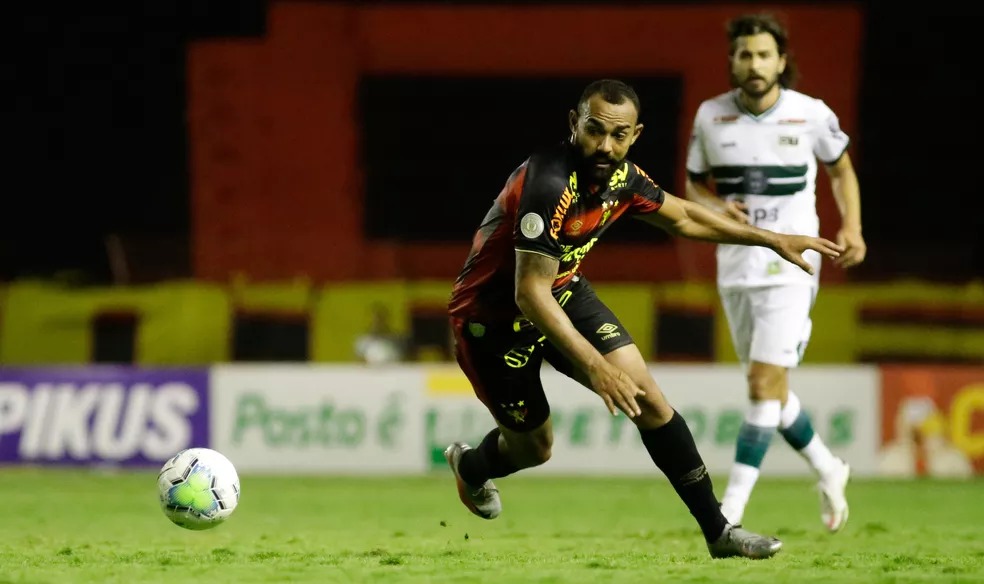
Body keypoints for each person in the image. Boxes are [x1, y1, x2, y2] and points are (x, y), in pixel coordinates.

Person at [444, 78, 844, 559]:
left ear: (635, 135)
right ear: (574, 124)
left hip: (562, 288)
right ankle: (471, 468)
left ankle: (720, 532)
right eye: (594, 131)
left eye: (619, 135)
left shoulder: (623, 178)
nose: (604, 145)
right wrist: (596, 366)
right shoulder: (548, 181)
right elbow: (528, 292)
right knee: (534, 449)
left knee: (650, 401)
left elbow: (683, 217)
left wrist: (770, 238)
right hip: (490, 320)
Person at [684, 13, 866, 532]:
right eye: (745, 54)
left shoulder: (810, 114)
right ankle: (830, 468)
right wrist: (716, 209)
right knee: (772, 391)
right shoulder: (710, 117)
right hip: (735, 263)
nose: (755, 63)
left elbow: (842, 170)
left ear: (782, 61)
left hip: (792, 266)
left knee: (764, 384)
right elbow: (695, 185)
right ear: (733, 61)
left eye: (764, 54)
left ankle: (729, 512)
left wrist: (852, 225)